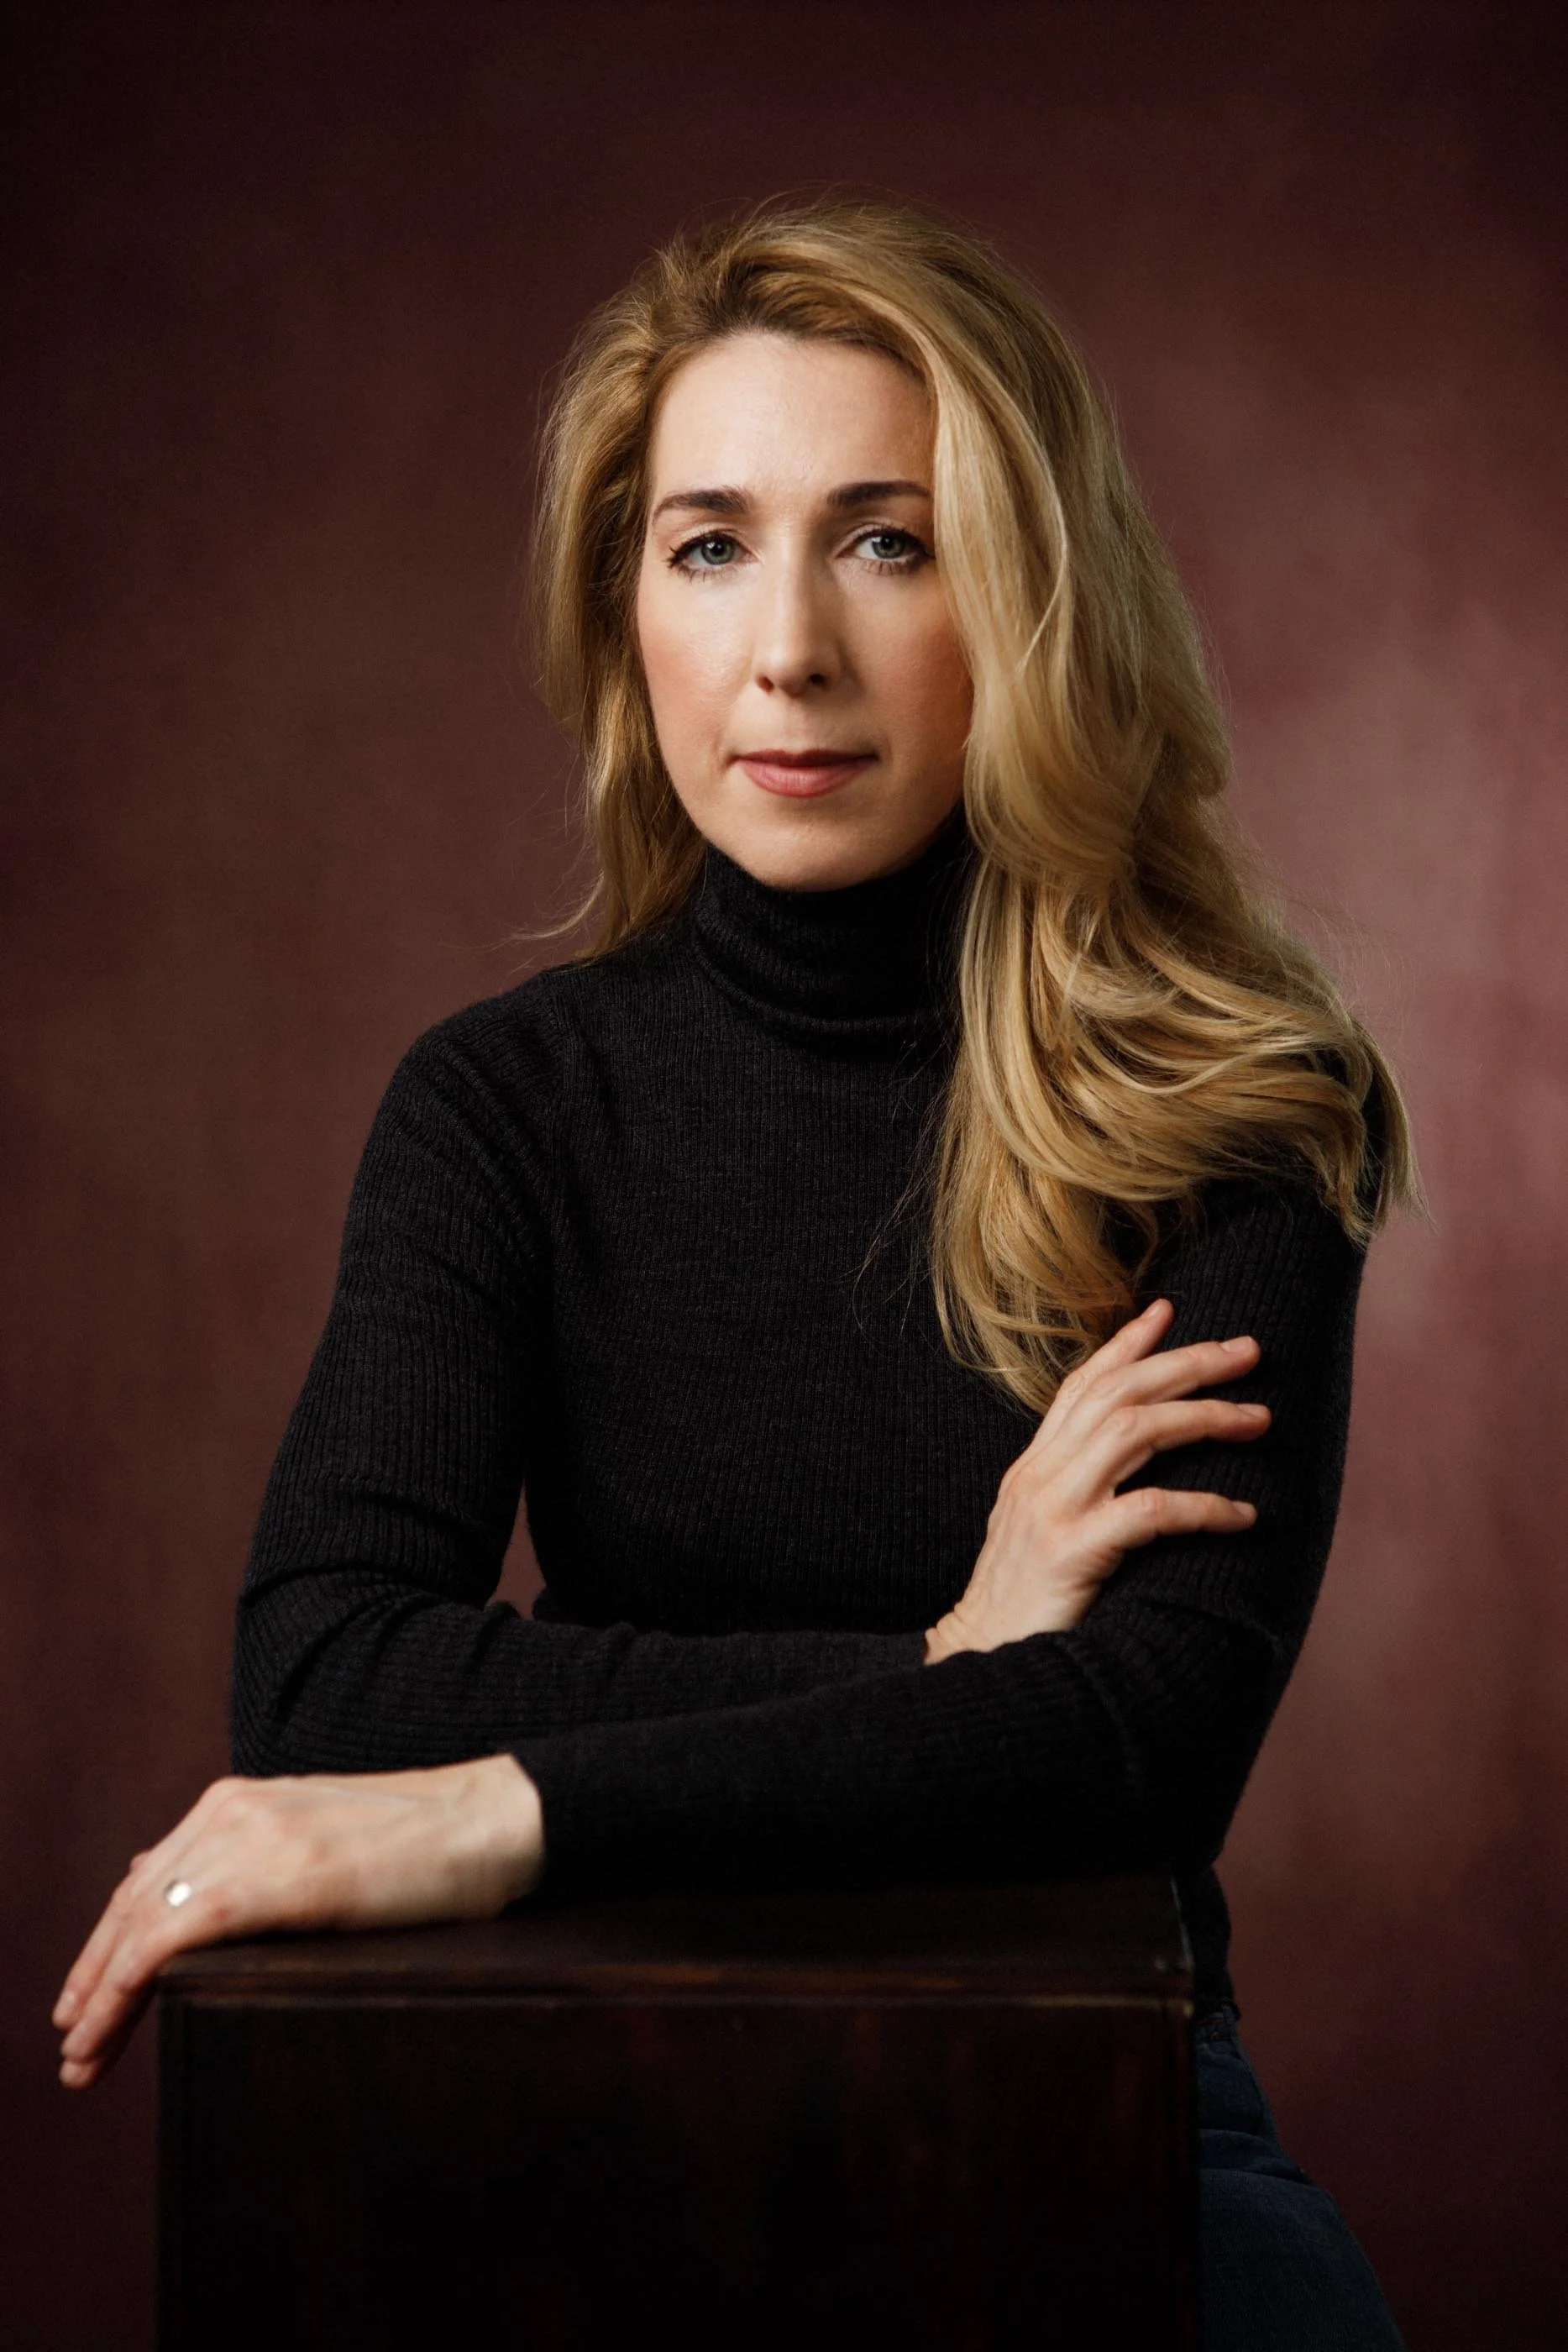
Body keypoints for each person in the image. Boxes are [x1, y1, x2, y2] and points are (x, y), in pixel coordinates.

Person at [55, 200, 1413, 2348]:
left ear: (1031, 600)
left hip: (1086, 2075)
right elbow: (320, 1675)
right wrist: (954, 1651)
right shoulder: (503, 1106)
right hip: (574, 2038)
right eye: (710, 542)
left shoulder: (1228, 1107)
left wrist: (481, 1802)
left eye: (889, 539)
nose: (788, 645)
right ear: (628, 615)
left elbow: (1134, 1751)